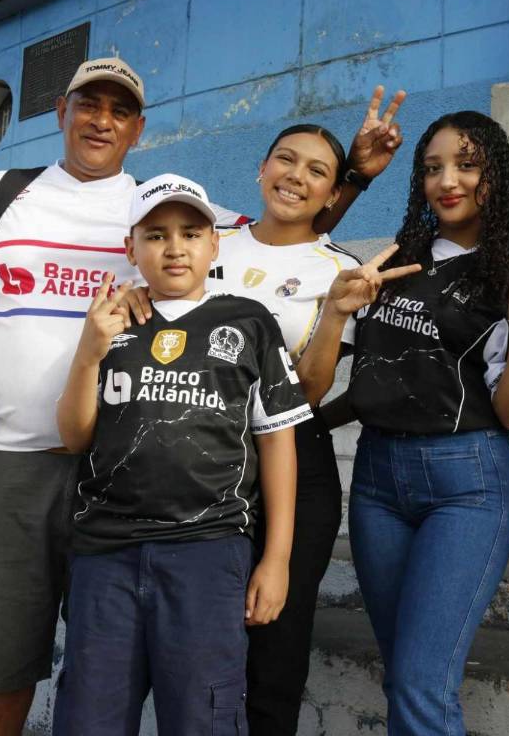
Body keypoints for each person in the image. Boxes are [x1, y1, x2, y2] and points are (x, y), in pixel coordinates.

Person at [0, 65, 401, 733]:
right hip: (57, 466)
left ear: (139, 127)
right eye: (88, 105)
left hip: (188, 488)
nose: (174, 247)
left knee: (213, 676)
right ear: (60, 111)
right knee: (41, 663)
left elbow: (295, 229)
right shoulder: (4, 194)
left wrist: (357, 179)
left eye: (120, 111)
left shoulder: (220, 234)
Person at [117, 90, 406, 733]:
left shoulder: (338, 268)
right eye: (285, 160)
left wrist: (333, 312)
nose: (295, 178)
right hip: (196, 454)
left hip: (292, 462)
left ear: (334, 194)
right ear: (260, 169)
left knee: (274, 649)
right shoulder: (207, 240)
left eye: (316, 172)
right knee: (190, 646)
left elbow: (307, 391)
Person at [318, 110, 509, 734]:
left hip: (467, 481)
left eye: (466, 165)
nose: (447, 181)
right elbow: (374, 380)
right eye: (432, 168)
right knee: (404, 669)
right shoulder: (395, 260)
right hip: (378, 480)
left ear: (498, 176)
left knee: (419, 683)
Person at [52, 174, 311, 734]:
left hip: (208, 552)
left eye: (191, 233)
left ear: (214, 243)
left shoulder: (248, 321)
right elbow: (75, 436)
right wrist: (88, 354)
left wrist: (278, 557)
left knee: (203, 715)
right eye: (156, 235)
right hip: (106, 554)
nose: (174, 248)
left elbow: (277, 441)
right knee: (88, 716)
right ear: (131, 248)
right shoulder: (112, 320)